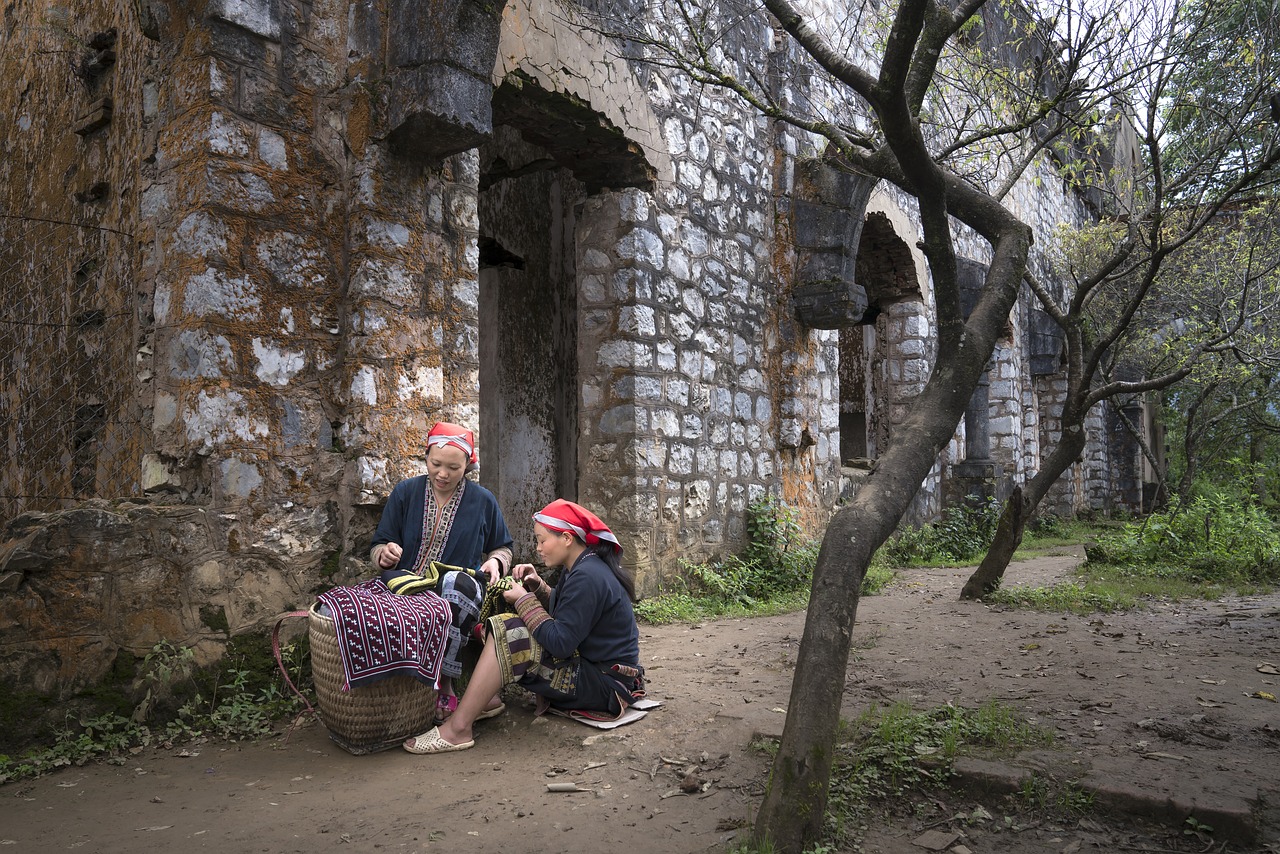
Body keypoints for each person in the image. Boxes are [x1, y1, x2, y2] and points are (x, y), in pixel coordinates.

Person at [403, 499, 643, 754]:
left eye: (542, 540)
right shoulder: (581, 566)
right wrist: (538, 587)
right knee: (504, 626)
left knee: (511, 631)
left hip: (606, 685)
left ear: (566, 538)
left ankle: (459, 728)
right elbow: (571, 614)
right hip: (598, 675)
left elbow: (561, 643)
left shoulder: (587, 575)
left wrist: (524, 599)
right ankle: (483, 701)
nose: (538, 548)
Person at [370, 421, 514, 721]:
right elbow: (379, 543)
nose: (443, 474)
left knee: (454, 584)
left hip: (462, 587)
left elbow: (503, 547)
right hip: (407, 582)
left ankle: (444, 682)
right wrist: (384, 554)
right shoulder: (406, 492)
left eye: (453, 467)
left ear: (467, 467)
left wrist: (496, 562)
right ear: (426, 458)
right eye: (436, 464)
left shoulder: (482, 501)